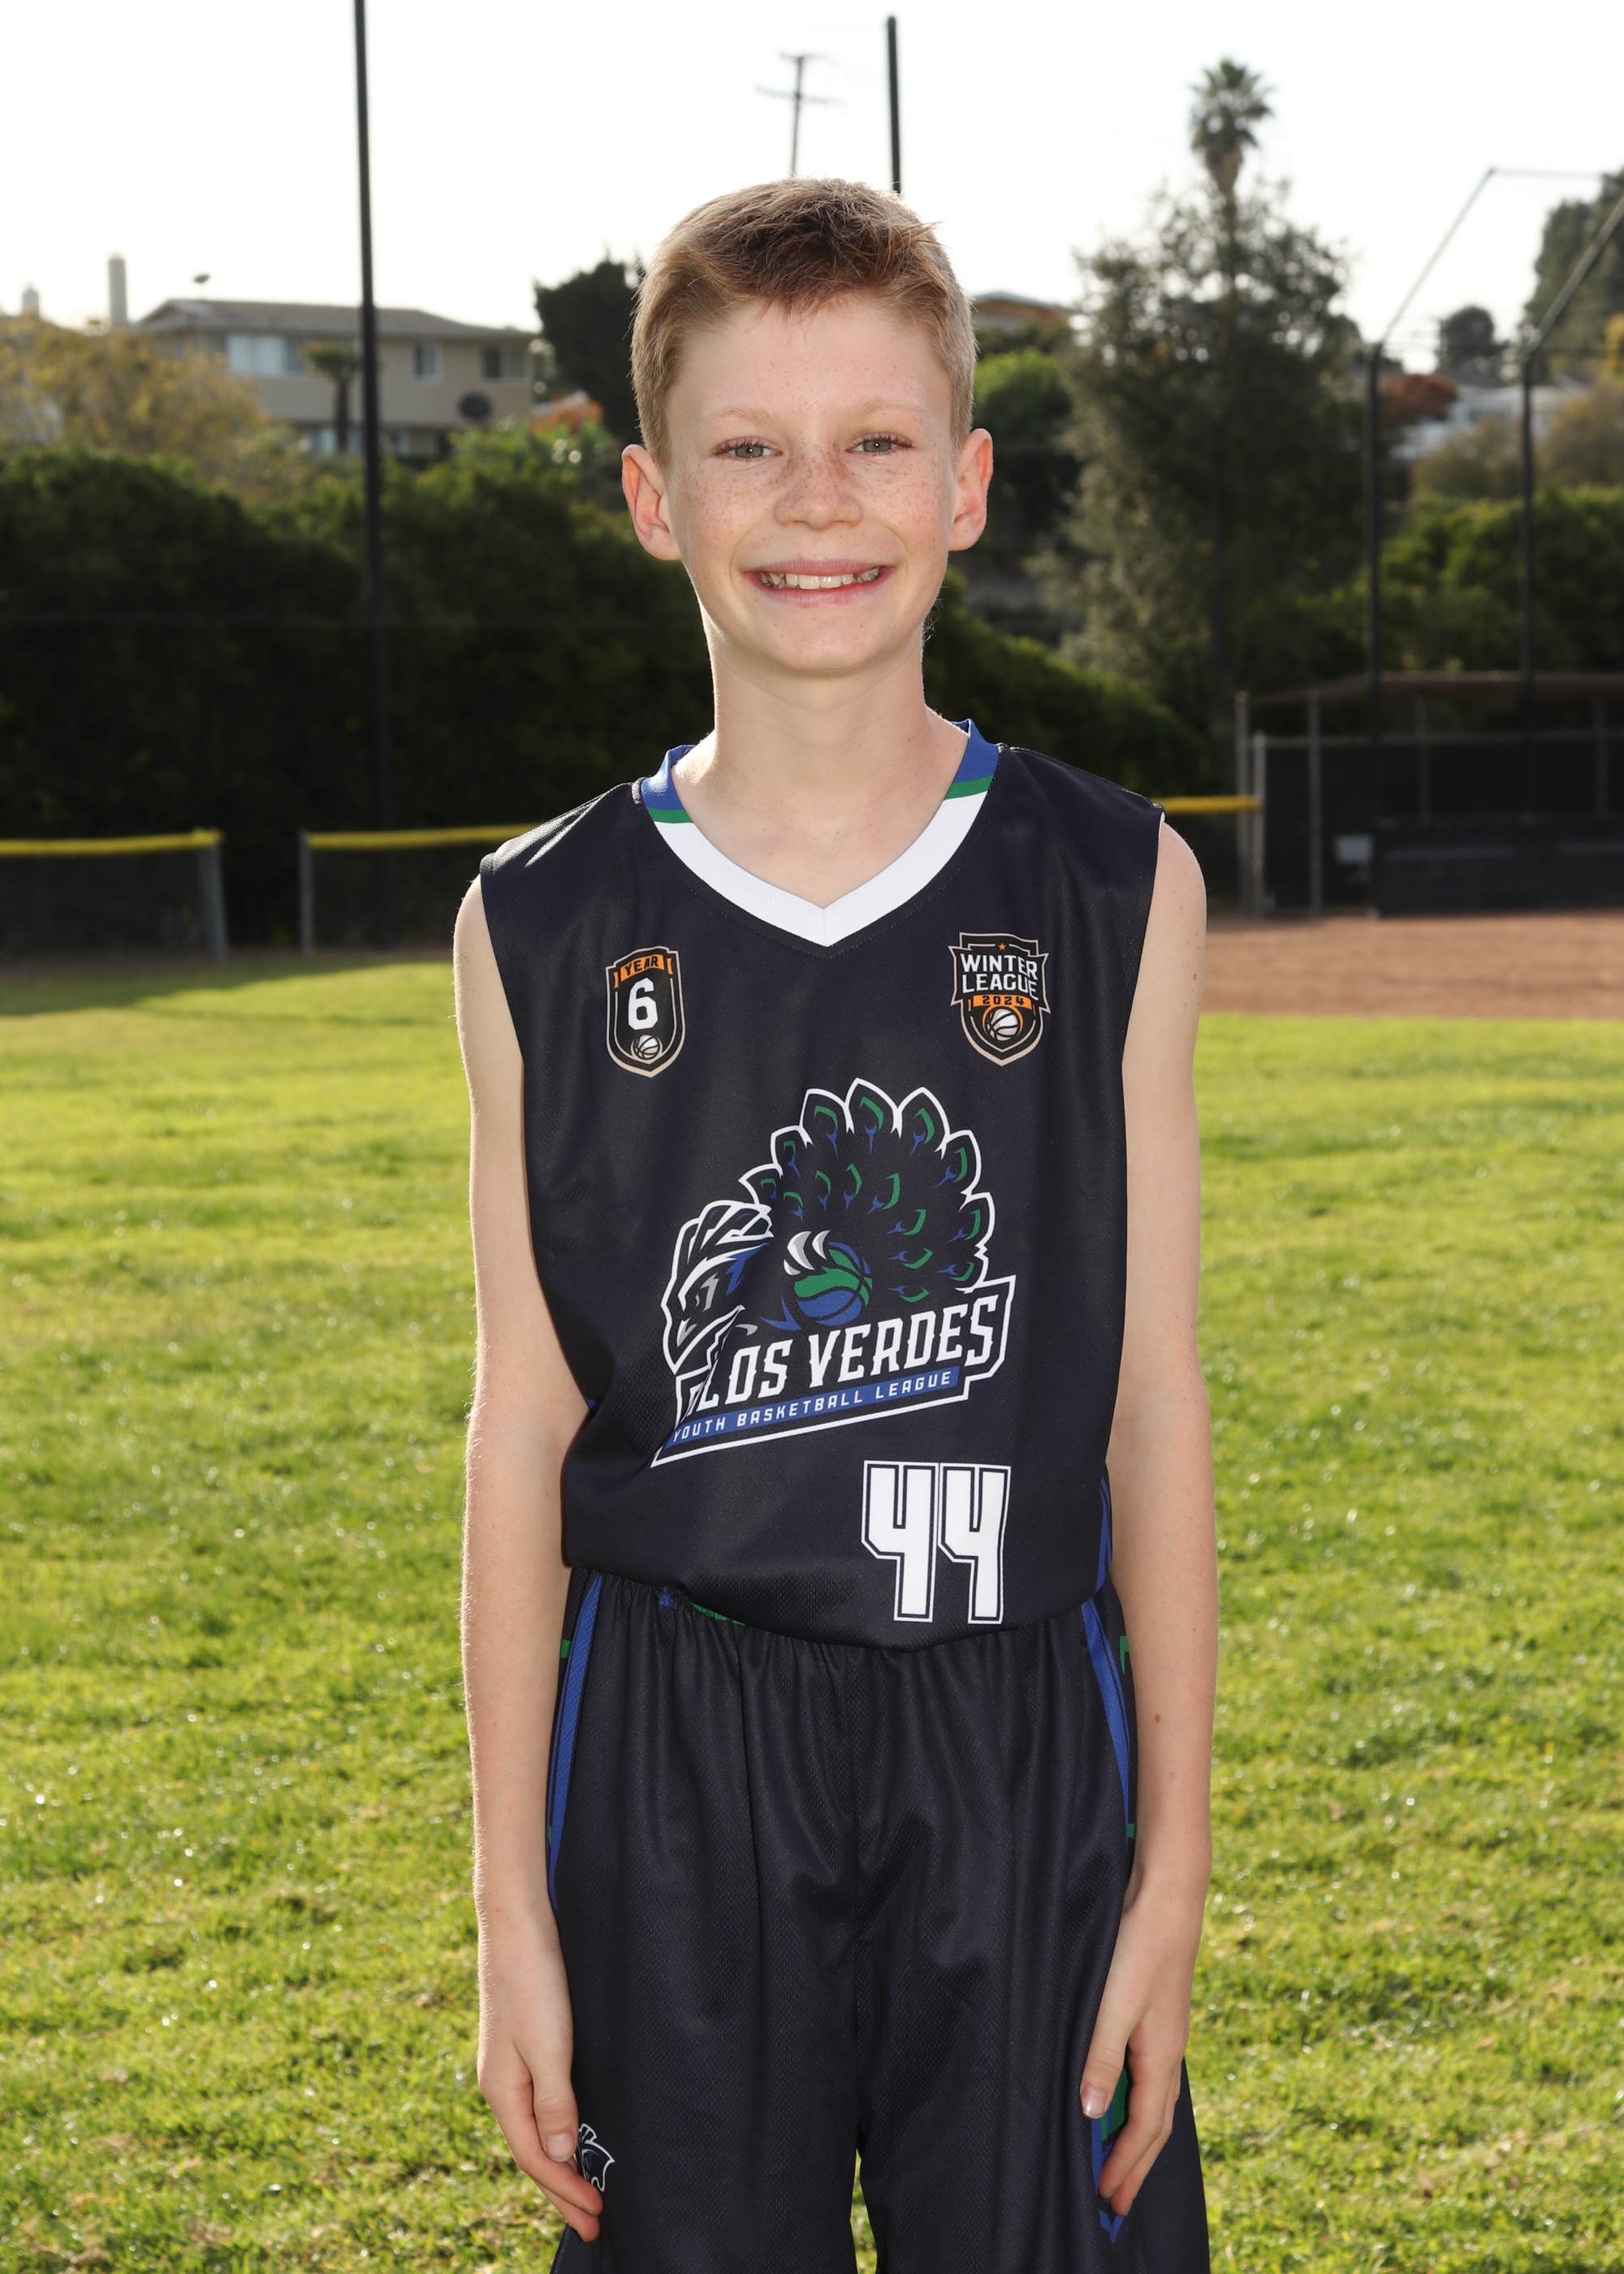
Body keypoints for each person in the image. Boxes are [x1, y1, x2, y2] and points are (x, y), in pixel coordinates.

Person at [454, 178, 1216, 2273]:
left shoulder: (1114, 881)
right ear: (651, 496)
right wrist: (513, 1906)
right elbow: (522, 1424)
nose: (818, 499)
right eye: (748, 446)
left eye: (878, 439)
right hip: (675, 1748)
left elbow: (1151, 1395)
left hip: (1020, 1728)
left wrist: (1170, 1875)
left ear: (966, 485)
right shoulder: (539, 920)